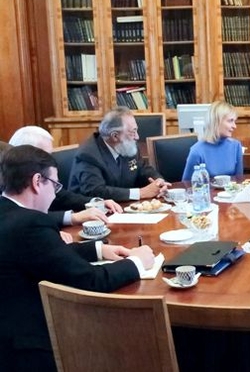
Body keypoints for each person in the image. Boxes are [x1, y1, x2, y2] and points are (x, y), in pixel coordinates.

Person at [0, 145, 155, 371]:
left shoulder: (8, 213)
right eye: (54, 185)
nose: (55, 194)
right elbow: (89, 280)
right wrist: (137, 263)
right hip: (30, 348)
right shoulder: (30, 224)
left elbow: (44, 254)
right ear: (36, 182)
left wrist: (98, 250)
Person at [7, 126, 124, 244]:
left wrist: (95, 203)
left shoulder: (44, 176)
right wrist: (73, 217)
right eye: (45, 155)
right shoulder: (7, 189)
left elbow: (63, 196)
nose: (50, 161)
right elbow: (23, 217)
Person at [69, 107, 170, 201]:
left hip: (123, 207)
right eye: (132, 132)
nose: (137, 137)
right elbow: (95, 191)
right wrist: (140, 193)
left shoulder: (127, 145)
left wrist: (158, 182)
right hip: (91, 211)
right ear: (115, 136)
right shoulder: (88, 155)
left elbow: (143, 169)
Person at [181, 101, 243, 181]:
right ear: (216, 122)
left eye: (234, 121)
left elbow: (239, 181)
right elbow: (186, 184)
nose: (234, 126)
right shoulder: (197, 151)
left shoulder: (236, 146)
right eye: (230, 121)